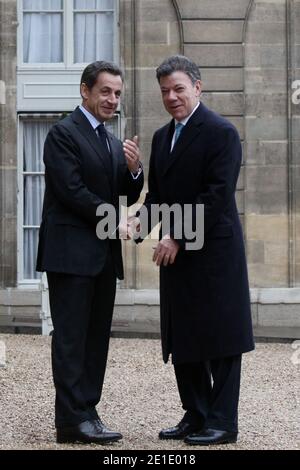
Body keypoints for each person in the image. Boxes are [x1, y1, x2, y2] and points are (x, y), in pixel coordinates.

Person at [132, 55, 254, 445]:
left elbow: (216, 196)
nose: (171, 97)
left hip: (213, 254)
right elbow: (159, 196)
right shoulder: (161, 137)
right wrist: (138, 223)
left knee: (220, 338)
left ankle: (222, 422)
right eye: (165, 90)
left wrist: (177, 236)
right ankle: (196, 413)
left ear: (197, 88)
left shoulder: (221, 132)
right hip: (177, 255)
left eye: (178, 88)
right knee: (183, 336)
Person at [36, 61, 143, 444]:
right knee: (70, 339)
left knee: (95, 338)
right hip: (69, 255)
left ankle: (87, 410)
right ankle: (69, 421)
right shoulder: (63, 134)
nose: (113, 100)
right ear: (85, 91)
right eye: (106, 92)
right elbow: (71, 189)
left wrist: (133, 170)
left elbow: (126, 192)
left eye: (117, 94)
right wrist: (112, 220)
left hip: (102, 256)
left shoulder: (111, 142)